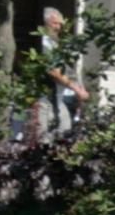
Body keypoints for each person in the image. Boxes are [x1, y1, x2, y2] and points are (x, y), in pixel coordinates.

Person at [36, 7, 89, 140]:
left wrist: (78, 87)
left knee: (65, 130)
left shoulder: (55, 44)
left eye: (60, 24)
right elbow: (53, 72)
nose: (58, 27)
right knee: (43, 136)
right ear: (46, 23)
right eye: (55, 23)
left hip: (58, 97)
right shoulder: (45, 43)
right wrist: (76, 89)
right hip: (45, 98)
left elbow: (65, 70)